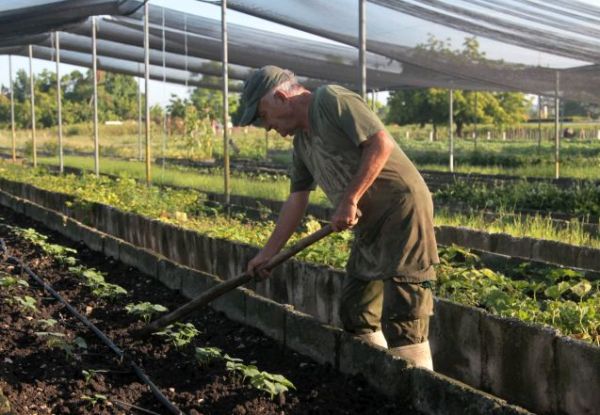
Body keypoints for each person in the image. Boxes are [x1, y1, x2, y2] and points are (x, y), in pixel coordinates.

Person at [238, 66, 439, 369]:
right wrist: (268, 254)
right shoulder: (302, 144)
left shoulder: (331, 100)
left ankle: (419, 391)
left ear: (281, 97)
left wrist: (350, 198)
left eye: (264, 117)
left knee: (406, 313)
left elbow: (380, 143)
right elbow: (297, 199)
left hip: (403, 212)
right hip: (368, 225)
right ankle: (379, 378)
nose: (268, 127)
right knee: (357, 311)